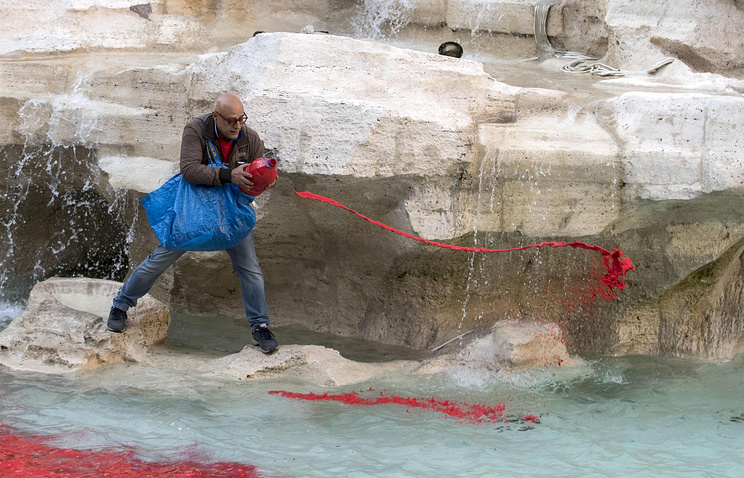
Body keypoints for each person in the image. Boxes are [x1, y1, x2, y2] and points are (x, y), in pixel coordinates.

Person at [107, 93, 279, 354]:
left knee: (250, 269)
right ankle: (120, 305)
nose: (237, 125)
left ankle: (260, 326)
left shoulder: (249, 137)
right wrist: (228, 175)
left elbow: (261, 165)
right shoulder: (196, 129)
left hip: (231, 215)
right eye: (231, 120)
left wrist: (267, 178)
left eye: (241, 119)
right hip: (195, 211)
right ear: (215, 117)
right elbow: (189, 170)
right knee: (159, 260)